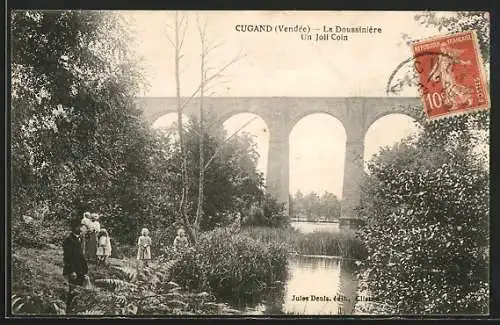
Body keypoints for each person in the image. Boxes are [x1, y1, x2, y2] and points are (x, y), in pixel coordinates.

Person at [63, 217, 89, 314]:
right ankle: (69, 313)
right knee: (73, 292)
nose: (82, 228)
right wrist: (72, 271)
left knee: (79, 293)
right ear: (76, 227)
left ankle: (75, 312)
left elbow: (80, 256)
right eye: (81, 226)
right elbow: (68, 258)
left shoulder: (78, 239)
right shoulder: (69, 240)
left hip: (80, 270)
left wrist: (85, 270)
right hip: (74, 271)